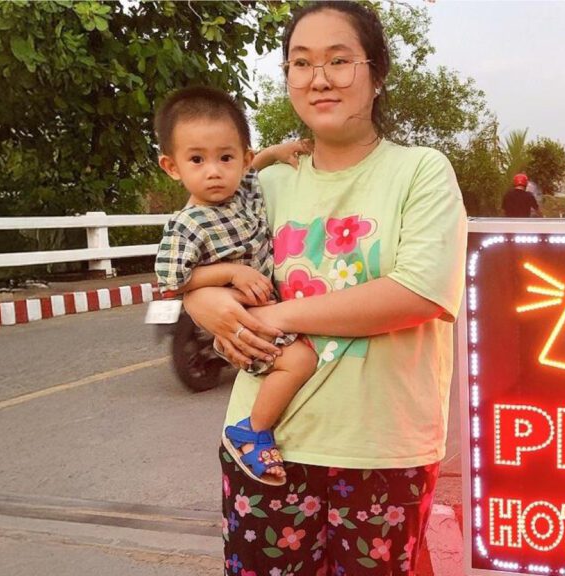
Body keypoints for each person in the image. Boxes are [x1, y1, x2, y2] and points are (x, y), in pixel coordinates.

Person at [180, 2, 467, 574]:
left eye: (339, 60)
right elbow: (193, 254)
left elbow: (418, 292)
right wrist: (204, 302)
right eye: (301, 63)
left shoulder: (419, 170)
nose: (319, 78)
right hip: (264, 447)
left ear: (377, 73)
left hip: (382, 450)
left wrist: (277, 318)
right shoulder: (265, 184)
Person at [153, 87, 318, 486]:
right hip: (242, 314)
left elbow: (252, 167)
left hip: (263, 301)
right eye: (197, 160)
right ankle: (252, 431)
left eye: (225, 158)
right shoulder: (187, 225)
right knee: (301, 361)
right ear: (172, 167)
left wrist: (274, 152)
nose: (213, 171)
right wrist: (228, 273)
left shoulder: (242, 191)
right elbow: (171, 279)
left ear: (242, 160)